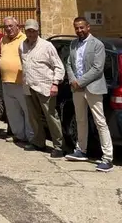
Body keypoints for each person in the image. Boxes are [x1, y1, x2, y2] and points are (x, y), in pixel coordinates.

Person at [65, 17, 113, 172]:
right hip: (77, 89)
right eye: (76, 28)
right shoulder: (73, 44)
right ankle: (81, 150)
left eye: (81, 28)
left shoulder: (97, 44)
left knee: (100, 122)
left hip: (93, 88)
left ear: (88, 27)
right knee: (80, 120)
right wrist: (73, 80)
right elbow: (69, 64)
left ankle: (107, 157)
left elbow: (98, 68)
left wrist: (80, 81)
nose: (79, 30)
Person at [19, 19, 65, 158]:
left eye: (33, 31)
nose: (31, 34)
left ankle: (59, 146)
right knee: (34, 116)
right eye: (28, 31)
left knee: (51, 116)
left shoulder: (47, 46)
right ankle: (39, 142)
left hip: (45, 86)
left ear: (37, 31)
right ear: (25, 31)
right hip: (29, 85)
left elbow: (58, 65)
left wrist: (55, 83)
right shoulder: (22, 46)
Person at [0, 17, 33, 145]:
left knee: (26, 110)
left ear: (17, 26)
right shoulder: (3, 40)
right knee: (13, 111)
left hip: (21, 81)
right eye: (6, 26)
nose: (8, 29)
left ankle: (31, 137)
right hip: (6, 80)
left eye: (11, 26)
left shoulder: (25, 39)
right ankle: (19, 135)